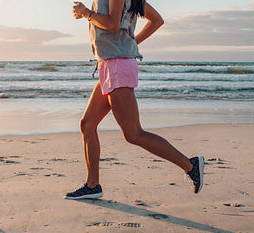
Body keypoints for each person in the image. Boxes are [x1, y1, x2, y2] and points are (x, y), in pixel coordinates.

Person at [66, 0, 204, 200]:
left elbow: (113, 24)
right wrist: (130, 43)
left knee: (134, 134)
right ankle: (92, 185)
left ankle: (190, 166)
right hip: (110, 65)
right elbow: (156, 20)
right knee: (87, 124)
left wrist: (86, 13)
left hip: (117, 67)